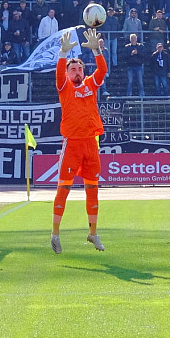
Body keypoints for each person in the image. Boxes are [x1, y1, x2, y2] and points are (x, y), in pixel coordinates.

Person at [51, 29, 106, 253]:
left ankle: (93, 233)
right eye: (73, 69)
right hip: (72, 143)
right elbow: (58, 74)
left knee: (92, 190)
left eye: (80, 69)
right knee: (64, 188)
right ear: (67, 73)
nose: (77, 72)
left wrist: (96, 50)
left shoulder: (90, 84)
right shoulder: (64, 87)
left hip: (90, 143)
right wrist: (63, 54)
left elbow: (102, 70)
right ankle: (55, 234)